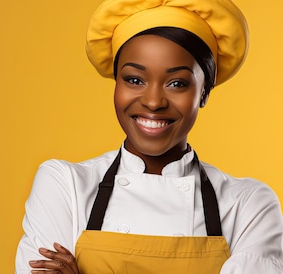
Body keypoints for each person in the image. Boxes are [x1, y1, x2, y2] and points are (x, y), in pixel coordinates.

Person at [14, 0, 283, 273]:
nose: (154, 102)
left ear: (204, 93)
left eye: (177, 83)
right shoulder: (65, 185)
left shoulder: (249, 205)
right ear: (116, 83)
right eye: (134, 80)